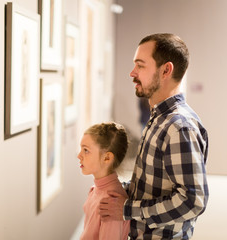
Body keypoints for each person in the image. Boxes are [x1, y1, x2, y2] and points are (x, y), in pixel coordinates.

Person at [99, 33, 209, 239]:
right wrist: (117, 190)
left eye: (140, 65)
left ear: (166, 70)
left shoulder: (179, 127)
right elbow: (153, 182)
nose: (132, 73)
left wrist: (127, 209)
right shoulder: (158, 118)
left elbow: (193, 201)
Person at [78, 122, 130, 240]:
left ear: (107, 158)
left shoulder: (111, 203)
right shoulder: (95, 190)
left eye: (86, 150)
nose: (79, 155)